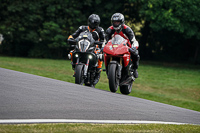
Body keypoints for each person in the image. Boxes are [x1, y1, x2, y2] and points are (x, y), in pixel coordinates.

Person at [68, 14, 105, 84]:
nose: (94, 25)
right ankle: (74, 64)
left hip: (94, 46)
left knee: (100, 54)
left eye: (96, 23)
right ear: (89, 22)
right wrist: (70, 38)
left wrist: (101, 44)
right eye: (93, 23)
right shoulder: (82, 28)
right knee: (72, 52)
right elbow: (74, 35)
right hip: (82, 46)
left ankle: (98, 71)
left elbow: (104, 39)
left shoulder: (100, 30)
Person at [105, 13, 140, 78]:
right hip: (113, 48)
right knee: (104, 54)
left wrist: (134, 47)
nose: (116, 23)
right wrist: (103, 47)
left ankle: (135, 69)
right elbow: (105, 41)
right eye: (114, 22)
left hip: (126, 47)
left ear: (121, 22)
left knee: (135, 54)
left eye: (117, 22)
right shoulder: (109, 30)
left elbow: (134, 41)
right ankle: (107, 68)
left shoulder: (127, 30)